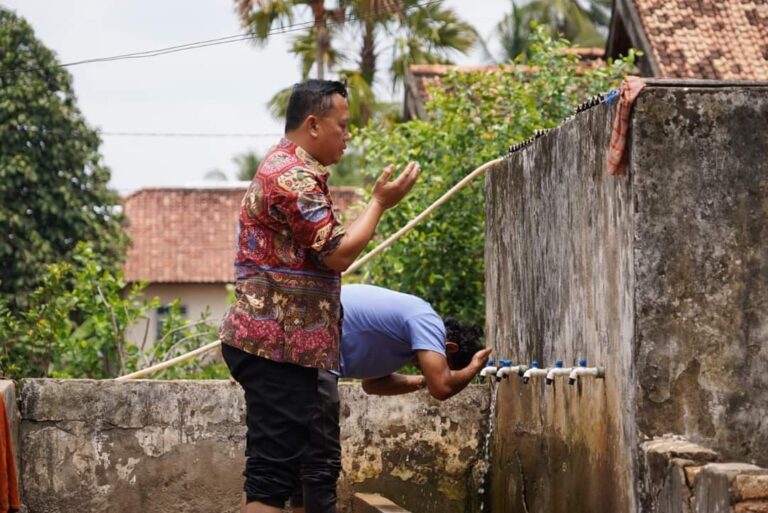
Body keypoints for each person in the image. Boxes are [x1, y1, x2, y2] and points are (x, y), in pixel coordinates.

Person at [219, 79, 419, 513]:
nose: (348, 136)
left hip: (277, 347)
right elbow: (338, 254)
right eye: (342, 126)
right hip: (276, 348)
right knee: (271, 482)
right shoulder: (293, 178)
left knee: (274, 475)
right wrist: (380, 204)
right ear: (313, 124)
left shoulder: (291, 169)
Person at [288, 283, 493, 512]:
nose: (429, 370)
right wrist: (473, 368)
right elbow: (442, 388)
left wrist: (422, 381)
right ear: (449, 348)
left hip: (298, 345)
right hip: (311, 340)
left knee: (300, 453)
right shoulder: (427, 320)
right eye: (445, 366)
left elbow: (373, 384)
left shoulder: (402, 344)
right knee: (322, 460)